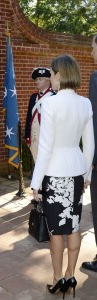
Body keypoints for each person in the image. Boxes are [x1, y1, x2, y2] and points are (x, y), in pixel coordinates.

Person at [31, 54, 94, 298]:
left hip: (54, 174)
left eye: (52, 73)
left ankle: (57, 279)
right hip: (76, 173)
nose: (50, 77)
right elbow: (89, 145)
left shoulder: (50, 103)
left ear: (59, 75)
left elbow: (45, 148)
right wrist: (86, 174)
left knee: (57, 230)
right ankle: (71, 275)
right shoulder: (85, 103)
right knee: (74, 225)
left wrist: (36, 183)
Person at [82, 34, 97, 272]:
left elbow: (95, 124)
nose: (91, 52)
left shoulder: (96, 78)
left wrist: (90, 163)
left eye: (93, 47)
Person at [25, 67, 55, 162]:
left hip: (48, 139)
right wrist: (27, 136)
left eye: (40, 79)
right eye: (36, 79)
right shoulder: (33, 97)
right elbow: (29, 118)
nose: (37, 81)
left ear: (48, 81)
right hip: (35, 139)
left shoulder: (54, 96)